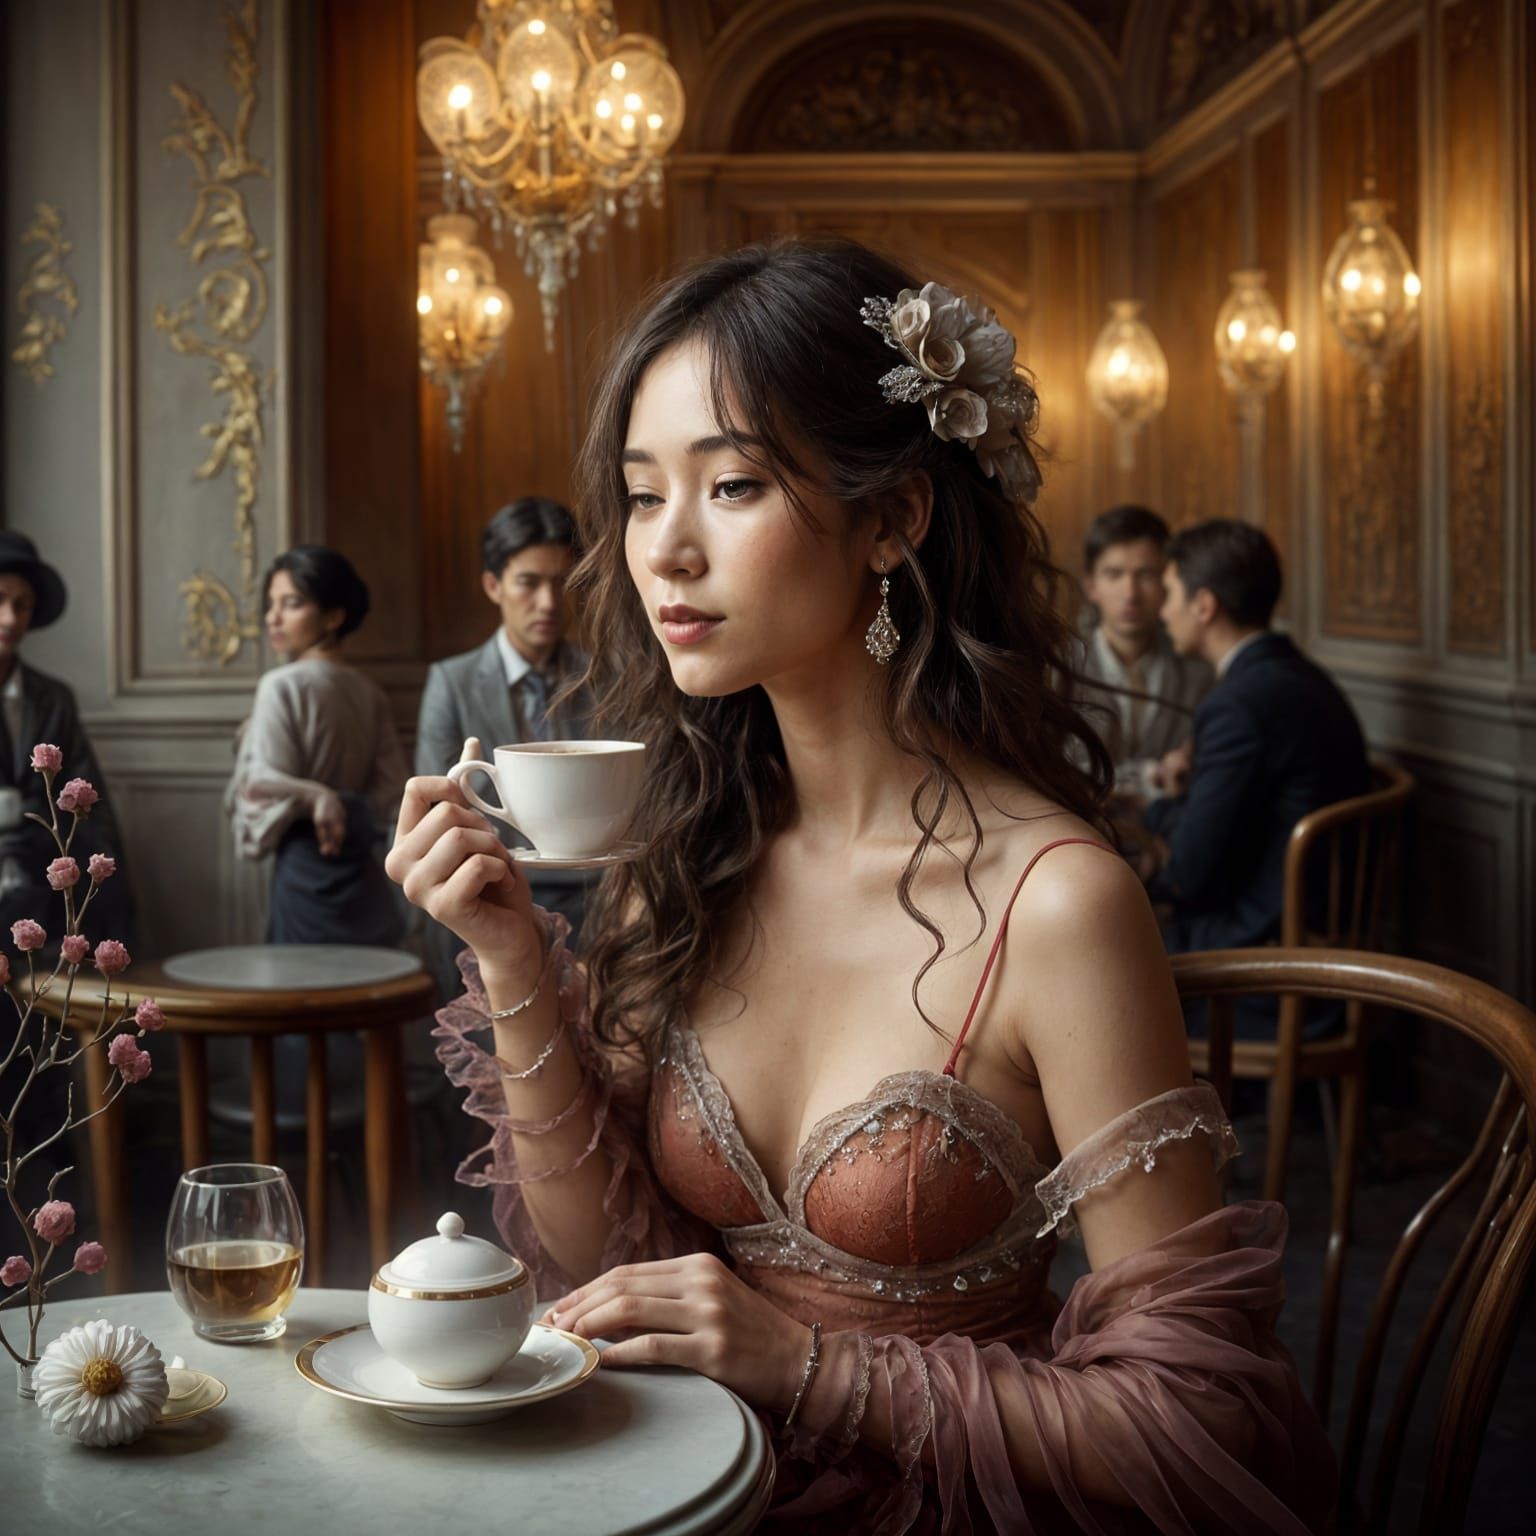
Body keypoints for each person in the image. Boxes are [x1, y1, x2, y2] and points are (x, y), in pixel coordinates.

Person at [387, 240, 1334, 1533]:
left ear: (892, 517)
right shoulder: (692, 853)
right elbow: (610, 1266)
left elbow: (1199, 1416)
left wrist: (807, 1366)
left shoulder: (1056, 903)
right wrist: (507, 958)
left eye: (728, 486)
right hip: (691, 1485)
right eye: (639, 493)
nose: (662, 552)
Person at [1141, 519, 1371, 964]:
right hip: (1311, 932)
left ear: (1204, 605)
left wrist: (1155, 809)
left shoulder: (1238, 704)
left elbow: (1191, 875)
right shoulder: (1300, 674)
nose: (1163, 610)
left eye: (1169, 594)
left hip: (1267, 959)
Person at [415, 499, 593, 996]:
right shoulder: (451, 681)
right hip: (492, 892)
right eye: (529, 582)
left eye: (561, 582)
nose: (549, 603)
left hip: (595, 899)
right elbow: (437, 802)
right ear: (494, 586)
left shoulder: (606, 675)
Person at [226, 546, 407, 946]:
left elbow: (256, 782)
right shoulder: (370, 692)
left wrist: (315, 794)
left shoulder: (280, 685)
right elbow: (394, 792)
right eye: (271, 604)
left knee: (302, 997)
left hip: (306, 872)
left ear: (334, 616)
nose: (273, 617)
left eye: (291, 604)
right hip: (364, 876)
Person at [0, 532, 135, 950]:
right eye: (0, 599)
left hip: (40, 892)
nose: (9, 618)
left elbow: (88, 802)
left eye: (22, 605)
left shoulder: (52, 699)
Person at [1073, 506, 1211, 801]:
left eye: (1146, 574)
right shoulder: (1058, 668)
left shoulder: (1200, 672)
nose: (1131, 594)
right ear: (1091, 586)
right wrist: (1148, 777)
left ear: (1169, 580)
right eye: (1114, 574)